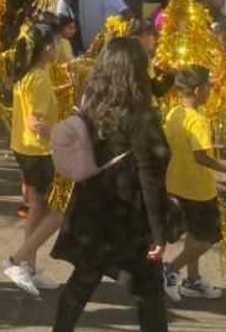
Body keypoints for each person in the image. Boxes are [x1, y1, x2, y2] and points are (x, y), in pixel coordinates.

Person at [50, 37, 171, 332]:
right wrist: (159, 232)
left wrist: (166, 77)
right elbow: (149, 177)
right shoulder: (141, 116)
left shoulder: (92, 106)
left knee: (83, 281)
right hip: (131, 216)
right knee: (150, 292)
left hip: (95, 208)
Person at [162, 66, 226, 302]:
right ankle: (170, 270)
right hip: (198, 189)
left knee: (195, 234)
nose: (211, 90)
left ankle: (193, 280)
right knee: (208, 236)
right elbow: (200, 156)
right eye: (208, 86)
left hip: (177, 183)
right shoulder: (198, 120)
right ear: (197, 89)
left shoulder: (174, 113)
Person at [3, 23, 64, 297]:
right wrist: (64, 134)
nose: (59, 47)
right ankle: (17, 260)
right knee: (58, 212)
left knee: (38, 209)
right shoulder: (38, 78)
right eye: (56, 42)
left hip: (26, 149)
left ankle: (29, 264)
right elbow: (35, 122)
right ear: (46, 48)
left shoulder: (28, 74)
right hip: (38, 151)